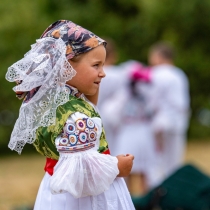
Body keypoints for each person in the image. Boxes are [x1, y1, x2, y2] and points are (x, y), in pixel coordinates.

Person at [5, 20, 135, 210]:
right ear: (66, 66)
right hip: (84, 201)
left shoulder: (54, 103)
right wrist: (117, 166)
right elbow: (82, 174)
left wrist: (91, 80)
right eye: (96, 65)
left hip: (56, 196)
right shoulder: (77, 119)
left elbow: (90, 105)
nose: (103, 73)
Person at [133, 41, 190, 185]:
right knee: (174, 161)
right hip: (178, 122)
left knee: (156, 162)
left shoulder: (155, 74)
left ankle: (158, 194)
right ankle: (174, 192)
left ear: (159, 56)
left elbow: (150, 101)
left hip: (160, 122)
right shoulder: (179, 74)